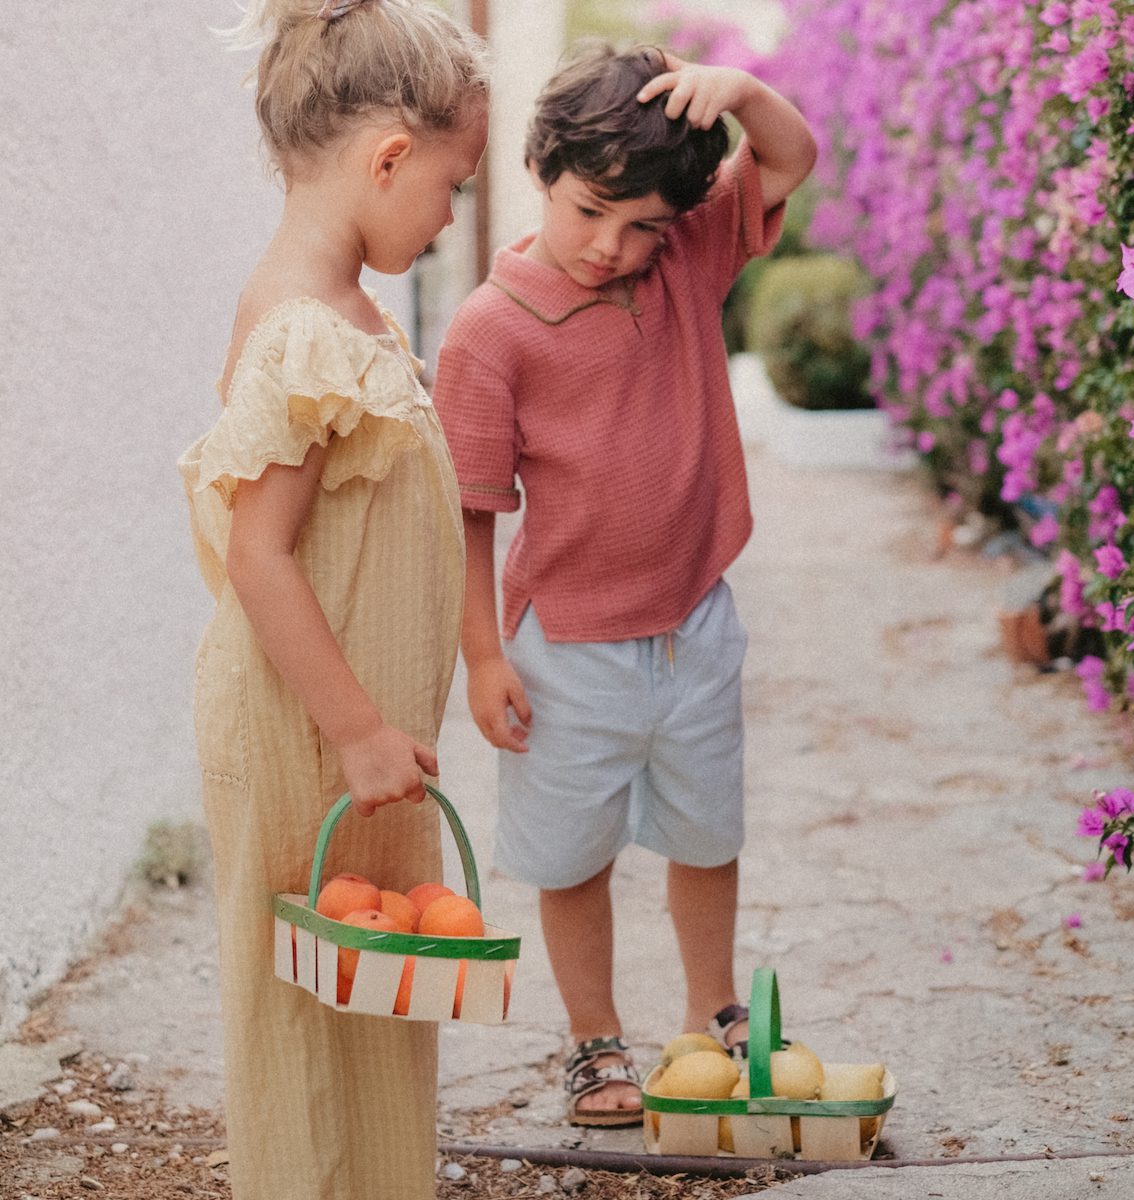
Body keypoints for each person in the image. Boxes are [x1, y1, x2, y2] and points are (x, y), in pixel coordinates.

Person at [433, 44, 816, 1126]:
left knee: (707, 832)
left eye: (642, 222)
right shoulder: (489, 332)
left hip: (694, 622)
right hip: (564, 647)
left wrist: (738, 90)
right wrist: (481, 654)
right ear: (542, 170)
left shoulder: (688, 258)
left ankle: (712, 1014)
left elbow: (793, 153)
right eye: (592, 209)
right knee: (573, 852)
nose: (613, 245)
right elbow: (471, 511)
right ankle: (594, 1039)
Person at [177, 2, 487, 1195]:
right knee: (306, 1014)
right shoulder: (302, 331)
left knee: (371, 983)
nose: (452, 215)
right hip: (313, 732)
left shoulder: (349, 310)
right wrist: (356, 728)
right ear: (388, 159)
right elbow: (262, 557)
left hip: (359, 731)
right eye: (452, 186)